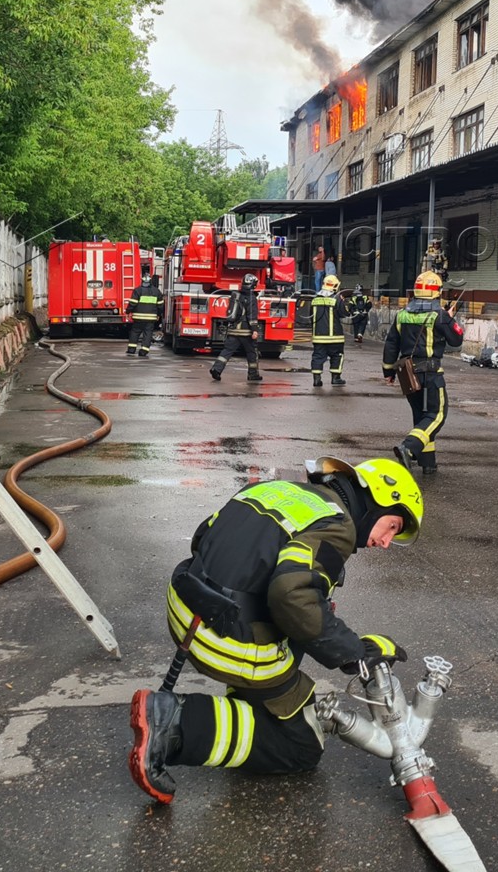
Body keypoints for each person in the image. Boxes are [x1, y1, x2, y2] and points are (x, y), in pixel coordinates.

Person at [128, 456, 421, 804]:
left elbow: (205, 536)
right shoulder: (337, 526)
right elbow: (291, 595)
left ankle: (241, 697)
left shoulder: (279, 489)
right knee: (301, 745)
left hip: (186, 609)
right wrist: (354, 654)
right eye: (391, 525)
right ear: (378, 501)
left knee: (299, 631)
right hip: (228, 643)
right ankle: (174, 725)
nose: (386, 541)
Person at [382, 270, 464, 476]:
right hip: (430, 374)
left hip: (408, 374)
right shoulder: (440, 315)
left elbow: (391, 343)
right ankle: (408, 448)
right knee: (436, 415)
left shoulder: (402, 314)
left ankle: (428, 464)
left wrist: (388, 371)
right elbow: (456, 340)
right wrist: (451, 319)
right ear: (437, 292)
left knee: (421, 418)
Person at [210, 274, 262, 382]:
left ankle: (216, 369)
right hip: (245, 332)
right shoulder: (251, 298)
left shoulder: (236, 295)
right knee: (252, 353)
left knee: (227, 351)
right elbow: (252, 315)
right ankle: (253, 374)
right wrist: (254, 330)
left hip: (233, 330)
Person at [309, 274, 350, 386]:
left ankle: (317, 379)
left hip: (318, 337)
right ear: (335, 286)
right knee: (337, 356)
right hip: (335, 337)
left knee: (317, 356)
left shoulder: (315, 299)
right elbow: (344, 314)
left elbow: (310, 317)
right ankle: (335, 378)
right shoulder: (336, 299)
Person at [126, 271, 164, 357]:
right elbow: (160, 305)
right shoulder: (157, 291)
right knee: (148, 334)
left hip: (138, 318)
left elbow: (132, 303)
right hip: (150, 319)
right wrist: (158, 315)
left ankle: (131, 349)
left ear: (142, 280)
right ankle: (144, 351)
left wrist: (128, 312)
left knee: (135, 332)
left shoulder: (137, 290)